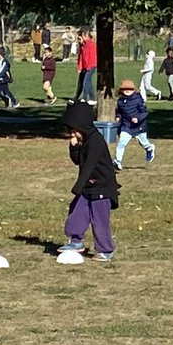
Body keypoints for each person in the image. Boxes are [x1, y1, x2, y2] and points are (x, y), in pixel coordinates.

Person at [60, 101, 119, 261]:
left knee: (99, 219)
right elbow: (78, 161)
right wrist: (74, 147)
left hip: (102, 187)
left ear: (82, 126)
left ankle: (105, 250)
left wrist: (78, 187)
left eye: (74, 131)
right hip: (88, 185)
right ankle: (75, 241)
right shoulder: (84, 141)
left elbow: (89, 166)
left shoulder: (95, 142)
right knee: (77, 211)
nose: (73, 134)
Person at [114, 79, 154, 170]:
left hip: (139, 126)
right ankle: (118, 161)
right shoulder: (120, 101)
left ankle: (149, 149)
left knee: (143, 143)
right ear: (121, 90)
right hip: (126, 126)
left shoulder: (138, 99)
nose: (127, 91)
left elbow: (144, 112)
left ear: (134, 90)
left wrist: (138, 118)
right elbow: (120, 111)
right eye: (125, 89)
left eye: (130, 89)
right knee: (121, 143)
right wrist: (118, 117)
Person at [76, 28, 97, 104]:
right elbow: (81, 58)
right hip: (86, 66)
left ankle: (89, 98)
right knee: (86, 82)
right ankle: (88, 98)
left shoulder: (90, 44)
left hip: (91, 65)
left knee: (86, 82)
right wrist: (80, 67)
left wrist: (88, 66)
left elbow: (92, 56)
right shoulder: (82, 46)